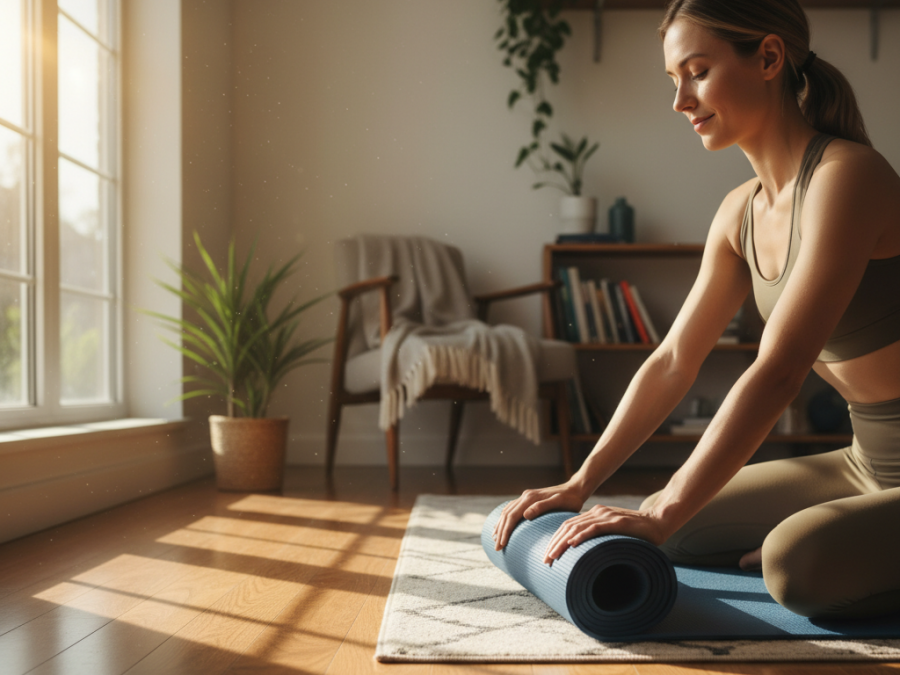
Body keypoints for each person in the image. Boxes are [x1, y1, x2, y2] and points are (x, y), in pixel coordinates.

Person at [492, 0, 900, 620]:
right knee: (677, 526)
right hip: (863, 460)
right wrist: (583, 483)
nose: (681, 100)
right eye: (673, 79)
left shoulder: (849, 177)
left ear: (768, 58)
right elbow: (674, 360)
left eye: (698, 71)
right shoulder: (740, 210)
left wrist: (661, 509)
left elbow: (780, 369)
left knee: (791, 565)